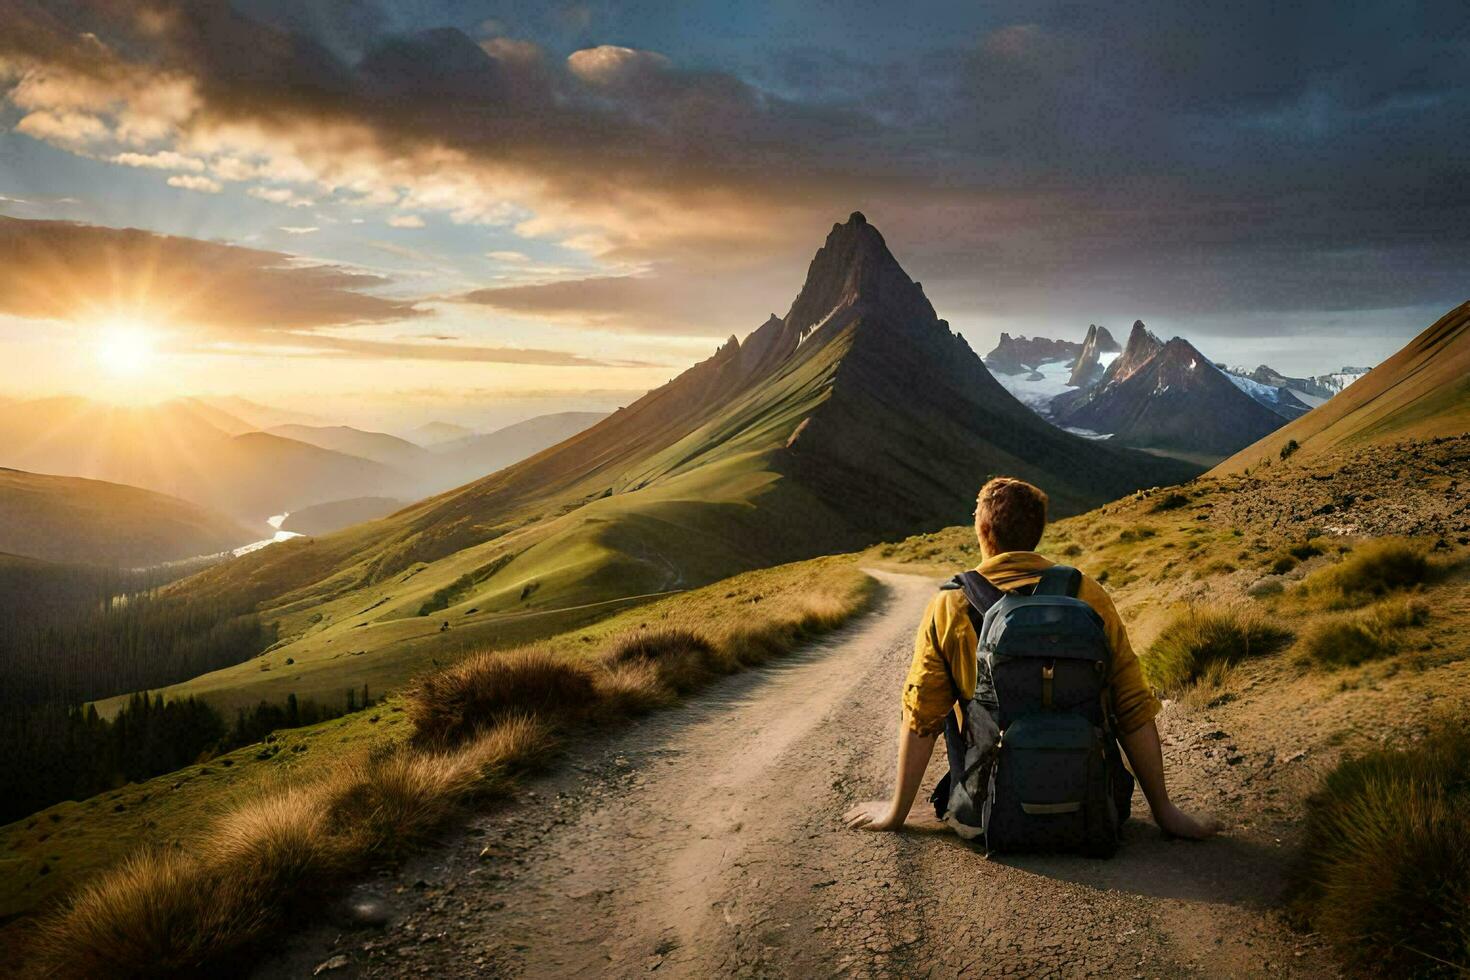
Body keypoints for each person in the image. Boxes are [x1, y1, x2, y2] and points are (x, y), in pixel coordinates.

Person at [844, 476, 1218, 839]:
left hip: (986, 811)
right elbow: (1133, 706)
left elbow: (922, 716)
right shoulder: (1088, 594)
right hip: (1093, 805)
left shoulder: (950, 604)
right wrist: (1165, 812)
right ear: (1037, 532)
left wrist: (895, 813)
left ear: (984, 531)